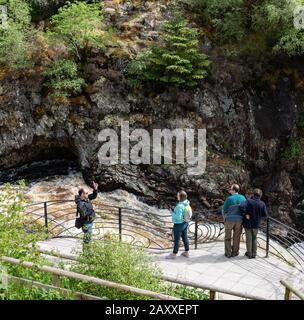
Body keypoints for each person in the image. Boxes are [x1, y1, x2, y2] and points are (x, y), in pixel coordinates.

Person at [240, 188, 268, 259]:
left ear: (253, 194)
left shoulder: (248, 201)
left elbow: (241, 206)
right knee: (254, 238)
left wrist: (245, 213)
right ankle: (254, 253)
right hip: (256, 223)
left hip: (248, 223)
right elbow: (265, 215)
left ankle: (249, 253)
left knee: (249, 238)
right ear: (260, 195)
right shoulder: (262, 203)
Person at [166, 191, 192, 259]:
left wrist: (172, 212)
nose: (176, 196)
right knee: (185, 237)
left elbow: (178, 217)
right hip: (185, 223)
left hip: (178, 225)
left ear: (180, 197)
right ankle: (186, 252)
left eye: (177, 195)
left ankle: (174, 254)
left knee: (177, 240)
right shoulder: (186, 203)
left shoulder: (179, 206)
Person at [222, 184, 246, 258]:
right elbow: (245, 208)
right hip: (239, 220)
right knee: (237, 237)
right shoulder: (243, 198)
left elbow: (224, 209)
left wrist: (224, 218)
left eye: (230, 189)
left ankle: (228, 253)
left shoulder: (229, 199)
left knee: (228, 237)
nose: (229, 190)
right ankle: (235, 252)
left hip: (230, 220)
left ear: (234, 190)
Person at [75, 181, 99, 246]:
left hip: (89, 222)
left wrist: (95, 189)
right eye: (86, 193)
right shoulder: (80, 204)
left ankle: (86, 253)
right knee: (88, 240)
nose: (88, 194)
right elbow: (84, 214)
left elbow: (94, 196)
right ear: (82, 194)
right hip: (86, 223)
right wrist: (92, 209)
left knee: (88, 239)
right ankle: (86, 254)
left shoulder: (86, 198)